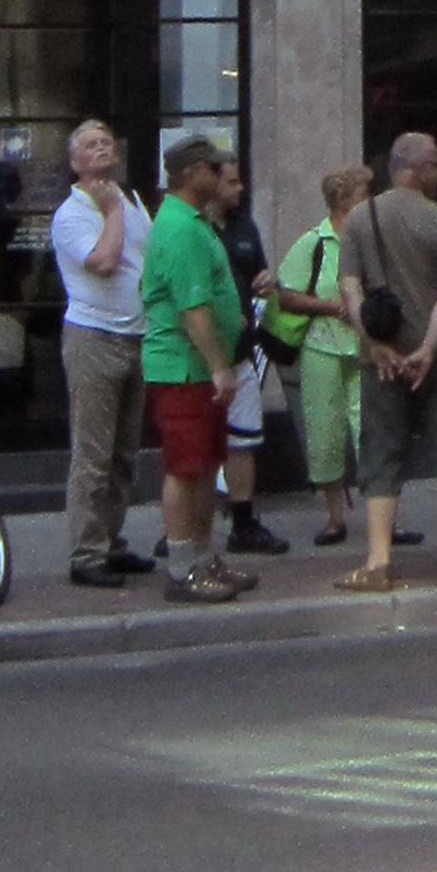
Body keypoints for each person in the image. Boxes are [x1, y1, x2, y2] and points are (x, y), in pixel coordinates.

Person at [334, 132, 437, 596]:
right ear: (417, 168)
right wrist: (429, 348)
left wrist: (373, 342)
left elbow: (349, 287)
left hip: (381, 359)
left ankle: (378, 561)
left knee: (381, 455)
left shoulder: (359, 219)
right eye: (435, 164)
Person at [138, 137, 251, 601]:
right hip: (183, 368)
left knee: (205, 464)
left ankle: (203, 557)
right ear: (190, 174)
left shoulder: (195, 222)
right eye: (212, 168)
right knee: (185, 468)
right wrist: (220, 366)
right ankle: (182, 568)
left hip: (197, 368)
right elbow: (193, 308)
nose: (221, 175)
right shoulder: (181, 229)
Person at [48, 117, 152, 587]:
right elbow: (105, 262)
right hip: (94, 338)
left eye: (107, 141)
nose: (102, 148)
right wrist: (110, 212)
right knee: (93, 452)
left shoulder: (131, 201)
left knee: (124, 453)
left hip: (137, 336)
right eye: (91, 144)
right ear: (75, 162)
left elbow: (147, 258)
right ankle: (86, 553)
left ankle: (111, 540)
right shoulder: (72, 214)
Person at [269, 164, 369, 550]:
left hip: (364, 347)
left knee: (371, 431)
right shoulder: (315, 242)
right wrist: (329, 306)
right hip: (321, 346)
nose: (369, 202)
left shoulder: (367, 241)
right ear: (343, 202)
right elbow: (286, 294)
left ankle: (386, 517)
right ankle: (334, 518)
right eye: (363, 195)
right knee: (325, 430)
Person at [208, 151, 288, 559]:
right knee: (197, 443)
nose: (240, 189)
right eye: (232, 181)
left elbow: (260, 272)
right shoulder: (192, 228)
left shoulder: (244, 225)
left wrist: (266, 280)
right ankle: (185, 527)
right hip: (200, 357)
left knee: (244, 439)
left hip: (242, 352)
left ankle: (243, 523)